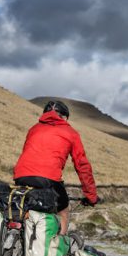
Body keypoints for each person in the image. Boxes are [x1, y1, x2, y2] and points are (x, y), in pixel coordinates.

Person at [13, 100, 98, 234]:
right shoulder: (70, 132)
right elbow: (82, 165)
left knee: (25, 205)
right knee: (63, 210)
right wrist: (91, 196)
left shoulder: (33, 129)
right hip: (48, 179)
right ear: (64, 117)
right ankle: (59, 246)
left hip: (21, 176)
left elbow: (27, 152)